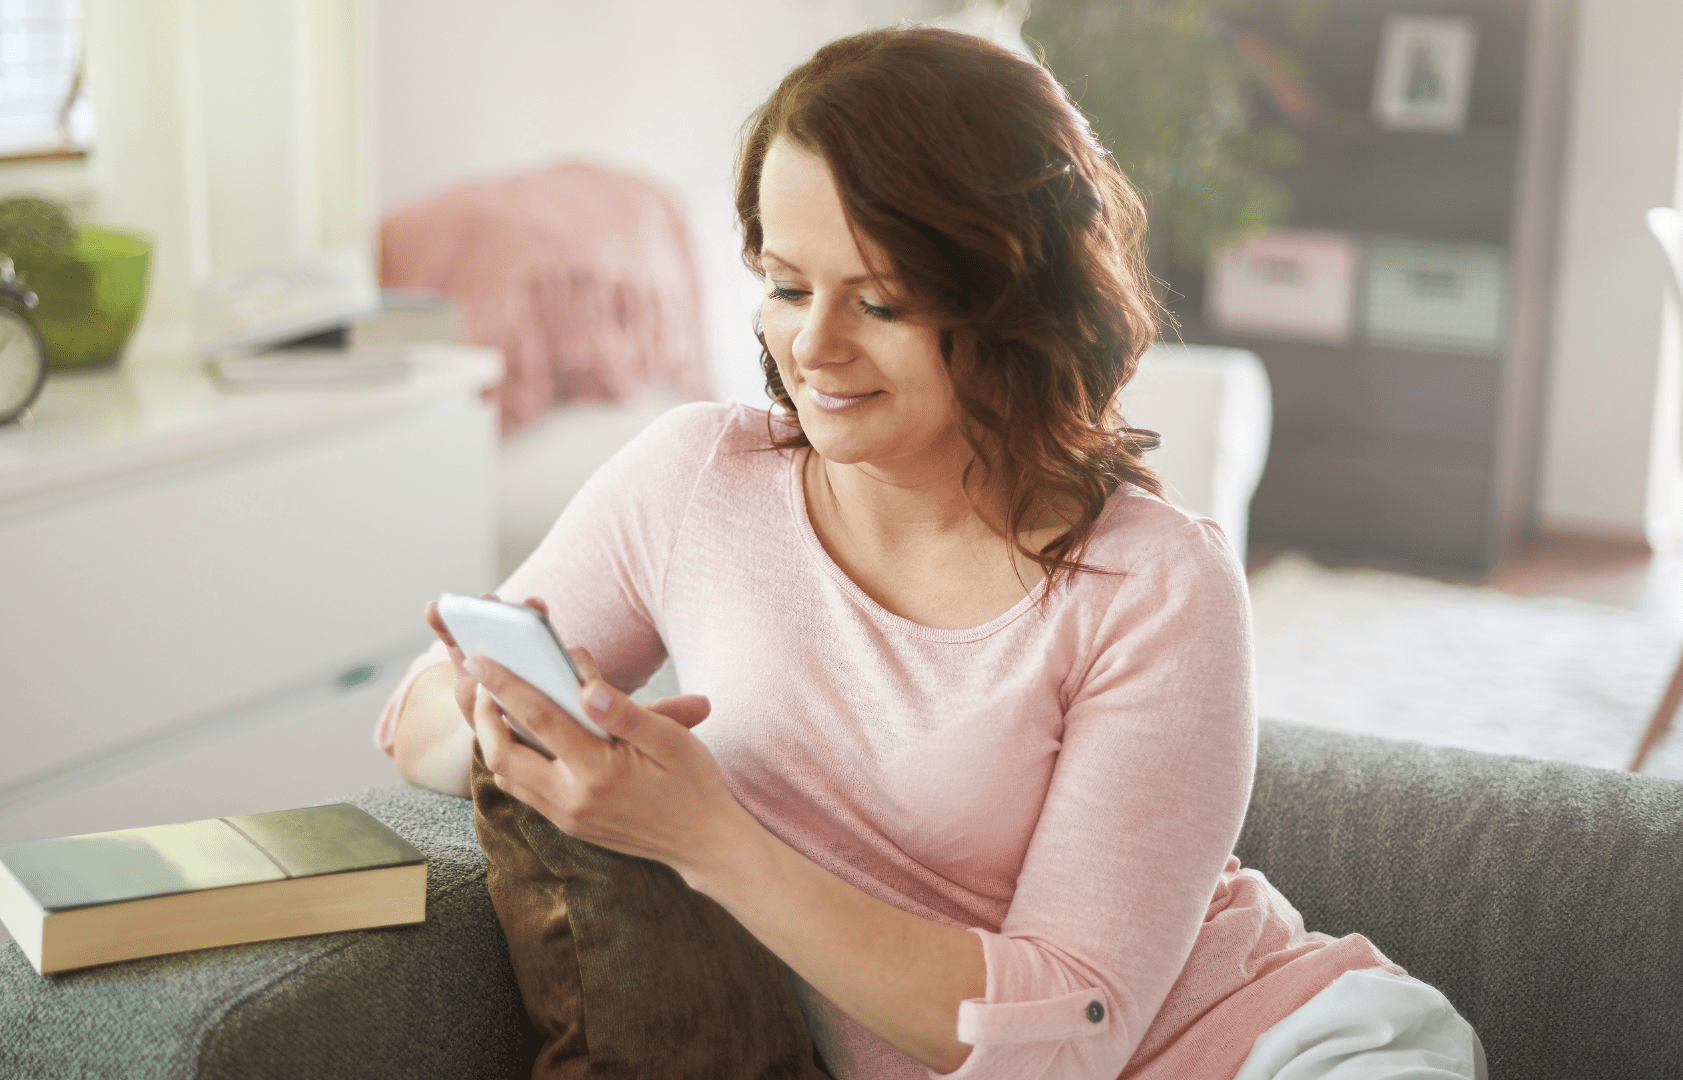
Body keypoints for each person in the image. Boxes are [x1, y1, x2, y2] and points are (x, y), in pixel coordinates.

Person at [377, 25, 1485, 1080]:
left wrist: (711, 840)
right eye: (786, 285)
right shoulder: (696, 480)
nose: (814, 347)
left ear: (1017, 302)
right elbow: (418, 717)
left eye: (882, 301)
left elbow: (1066, 1038)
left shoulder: (1153, 585)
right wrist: (511, 729)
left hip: (1275, 1048)